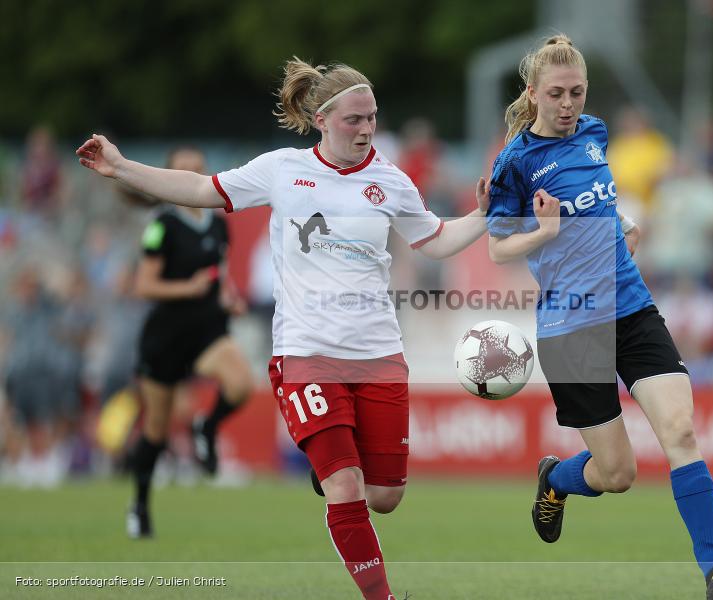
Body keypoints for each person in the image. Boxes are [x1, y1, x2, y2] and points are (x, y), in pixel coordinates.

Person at [77, 58, 488, 600]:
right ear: (322, 119)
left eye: (372, 118)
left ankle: (330, 469)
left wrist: (483, 215)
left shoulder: (390, 181)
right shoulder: (282, 170)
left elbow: (434, 239)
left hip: (378, 352)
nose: (366, 129)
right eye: (354, 120)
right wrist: (123, 167)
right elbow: (199, 188)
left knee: (384, 495)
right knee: (346, 487)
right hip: (306, 353)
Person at [482, 35, 713, 600]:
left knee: (679, 430)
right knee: (618, 475)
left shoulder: (595, 132)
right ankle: (556, 478)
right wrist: (548, 232)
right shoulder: (514, 163)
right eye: (555, 93)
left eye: (577, 92)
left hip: (631, 308)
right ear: (532, 94)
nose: (568, 104)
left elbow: (595, 196)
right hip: (570, 328)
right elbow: (499, 249)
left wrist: (621, 221)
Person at [121, 146, 254, 539]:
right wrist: (188, 287)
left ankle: (206, 428)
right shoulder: (161, 224)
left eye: (196, 170)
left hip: (208, 330)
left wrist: (228, 296)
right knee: (156, 430)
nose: (190, 178)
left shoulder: (216, 222)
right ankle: (140, 505)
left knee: (241, 384)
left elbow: (221, 274)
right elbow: (143, 285)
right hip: (166, 336)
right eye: (182, 172)